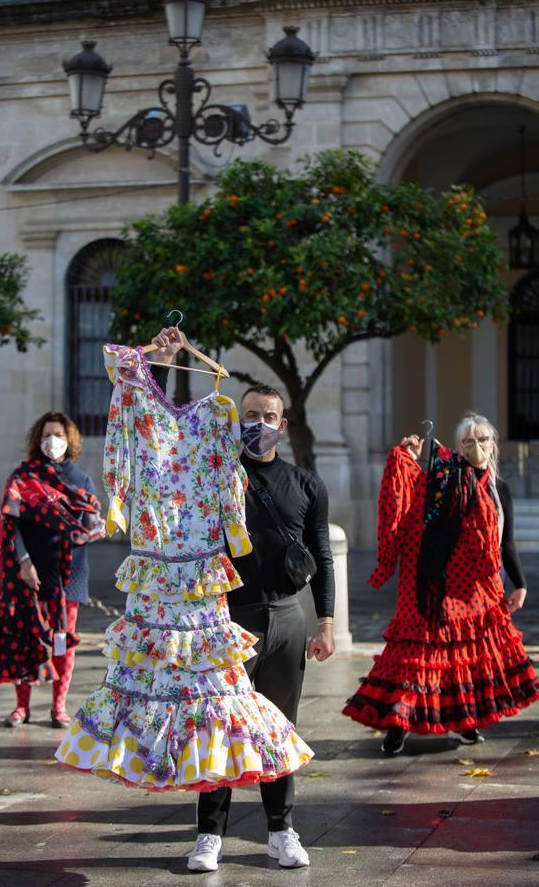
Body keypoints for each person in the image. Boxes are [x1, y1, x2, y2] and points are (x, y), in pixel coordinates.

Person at [150, 327, 336, 872]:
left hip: (289, 618)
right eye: (249, 415)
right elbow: (164, 439)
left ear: (283, 424)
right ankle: (210, 836)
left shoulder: (306, 484)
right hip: (228, 619)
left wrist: (325, 620)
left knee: (280, 727)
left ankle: (282, 831)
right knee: (219, 728)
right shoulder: (214, 475)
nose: (259, 424)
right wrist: (162, 365)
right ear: (236, 419)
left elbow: (322, 555)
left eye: (269, 417)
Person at [342, 412, 539, 755]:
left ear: (493, 445)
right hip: (433, 584)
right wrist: (405, 457)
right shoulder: (442, 478)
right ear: (458, 447)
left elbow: (506, 542)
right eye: (467, 441)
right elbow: (406, 493)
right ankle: (398, 724)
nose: (475, 446)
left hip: (476, 589)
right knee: (419, 659)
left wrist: (518, 583)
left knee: (466, 660)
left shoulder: (498, 488)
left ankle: (464, 723)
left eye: (482, 440)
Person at [0, 412, 104, 728]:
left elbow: (91, 522)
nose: (51, 441)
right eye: (45, 435)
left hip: (68, 577)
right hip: (26, 574)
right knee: (24, 639)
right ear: (36, 439)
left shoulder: (81, 480)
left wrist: (94, 531)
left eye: (57, 434)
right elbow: (10, 525)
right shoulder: (23, 476)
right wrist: (25, 562)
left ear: (70, 439)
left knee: (62, 641)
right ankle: (21, 707)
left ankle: (58, 707)